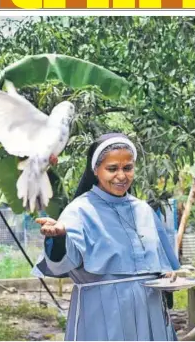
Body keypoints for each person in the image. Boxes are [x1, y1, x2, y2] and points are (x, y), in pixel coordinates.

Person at [32, 132, 181, 341]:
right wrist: (59, 237)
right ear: (96, 170)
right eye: (112, 169)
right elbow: (63, 263)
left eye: (127, 168)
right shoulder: (80, 210)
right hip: (105, 309)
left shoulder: (144, 210)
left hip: (151, 308)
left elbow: (161, 264)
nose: (121, 176)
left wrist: (166, 275)